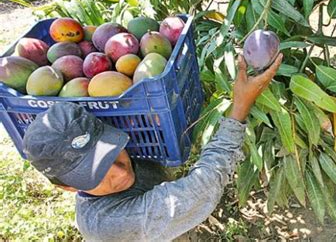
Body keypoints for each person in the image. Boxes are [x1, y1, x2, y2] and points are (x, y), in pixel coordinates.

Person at [22, 53, 283, 241]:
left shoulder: (130, 144)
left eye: (112, 150)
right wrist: (239, 107)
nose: (121, 172)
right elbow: (203, 186)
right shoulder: (111, 225)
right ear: (67, 187)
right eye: (97, 173)